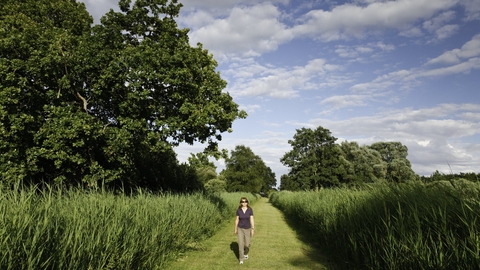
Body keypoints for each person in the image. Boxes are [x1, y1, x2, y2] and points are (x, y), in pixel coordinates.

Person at [234, 197, 255, 265]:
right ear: (240, 203)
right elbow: (237, 220)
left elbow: (251, 219)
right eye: (242, 202)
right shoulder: (238, 210)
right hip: (240, 228)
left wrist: (252, 229)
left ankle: (245, 253)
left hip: (248, 228)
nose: (244, 203)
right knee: (240, 244)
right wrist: (235, 229)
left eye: (245, 201)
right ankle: (241, 258)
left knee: (247, 244)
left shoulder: (250, 210)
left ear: (247, 202)